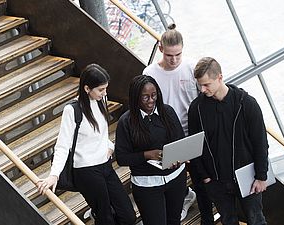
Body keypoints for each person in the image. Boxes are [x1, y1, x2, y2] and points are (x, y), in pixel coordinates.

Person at [37, 64, 136, 225]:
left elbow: (101, 133)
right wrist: (54, 175)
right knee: (106, 219)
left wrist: (109, 147)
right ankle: (98, 214)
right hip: (85, 170)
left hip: (105, 165)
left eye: (105, 88)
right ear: (87, 88)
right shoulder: (72, 110)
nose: (105, 93)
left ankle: (96, 213)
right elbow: (62, 145)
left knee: (128, 216)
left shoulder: (101, 100)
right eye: (101, 89)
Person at [143, 23, 214, 224]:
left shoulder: (191, 68)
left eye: (178, 55)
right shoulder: (150, 72)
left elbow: (204, 99)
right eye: (169, 55)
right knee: (174, 175)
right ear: (160, 50)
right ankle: (185, 197)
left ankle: (205, 214)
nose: (173, 60)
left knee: (201, 177)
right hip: (167, 134)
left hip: (192, 131)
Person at [188, 57, 269, 225]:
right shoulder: (196, 109)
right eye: (199, 85)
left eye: (206, 84)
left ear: (220, 77)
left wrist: (261, 176)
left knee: (256, 220)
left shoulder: (246, 104)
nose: (202, 89)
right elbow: (195, 146)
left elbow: (260, 142)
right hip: (216, 182)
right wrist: (205, 177)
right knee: (228, 221)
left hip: (248, 177)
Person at [115, 75, 186, 225]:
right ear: (135, 98)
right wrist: (147, 155)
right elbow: (122, 158)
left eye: (154, 95)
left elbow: (180, 140)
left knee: (174, 221)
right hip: (147, 185)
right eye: (145, 97)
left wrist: (178, 158)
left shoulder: (167, 112)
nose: (151, 100)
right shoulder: (126, 122)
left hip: (176, 177)